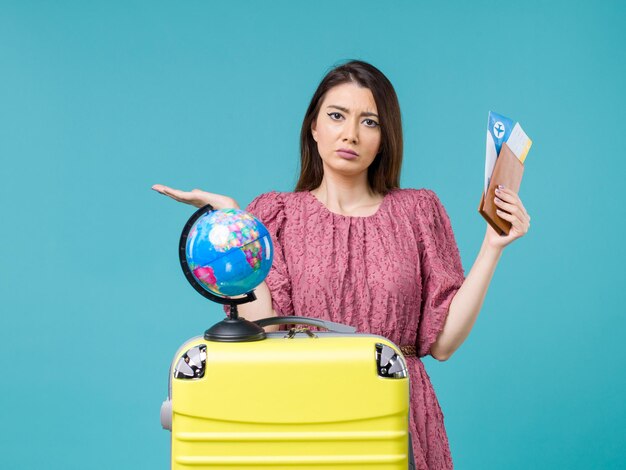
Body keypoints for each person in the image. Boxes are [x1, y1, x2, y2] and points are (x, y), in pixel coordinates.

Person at [152, 60, 530, 469]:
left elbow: (443, 344)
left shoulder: (418, 211)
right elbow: (263, 332)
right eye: (336, 116)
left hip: (395, 412)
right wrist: (238, 226)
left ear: (385, 138)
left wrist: (493, 246)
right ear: (313, 126)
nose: (350, 133)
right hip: (305, 413)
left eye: (370, 121)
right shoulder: (275, 215)